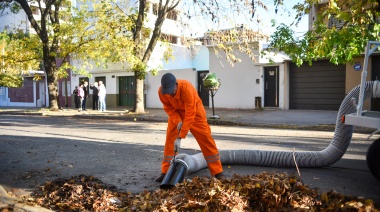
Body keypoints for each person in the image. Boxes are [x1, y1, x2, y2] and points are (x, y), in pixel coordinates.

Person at [156, 72, 224, 182]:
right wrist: (178, 121)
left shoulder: (186, 88)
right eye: (167, 92)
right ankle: (166, 172)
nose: (170, 94)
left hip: (195, 113)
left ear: (176, 85)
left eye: (171, 91)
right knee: (169, 141)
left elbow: (190, 113)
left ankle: (217, 172)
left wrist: (180, 137)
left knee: (206, 140)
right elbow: (169, 109)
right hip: (177, 114)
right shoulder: (162, 92)